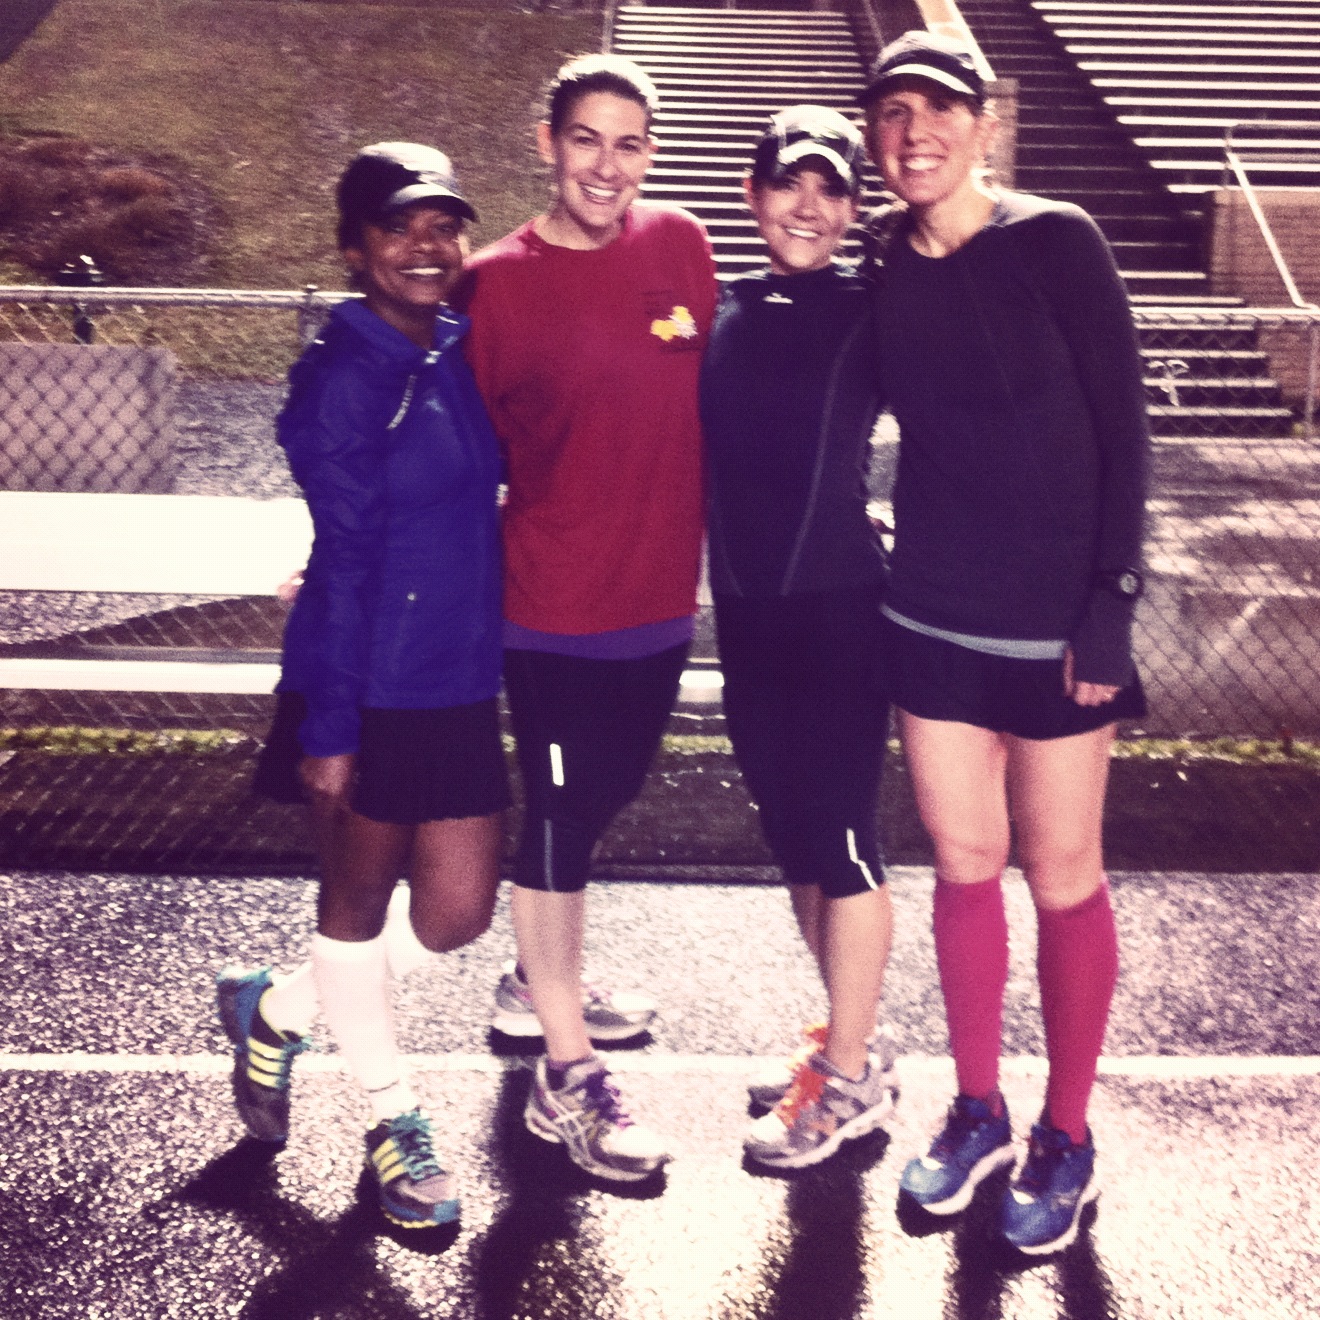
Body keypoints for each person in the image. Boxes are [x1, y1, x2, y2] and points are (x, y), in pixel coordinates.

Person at [858, 32, 1149, 1255]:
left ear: (985, 124)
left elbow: (1125, 426)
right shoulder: (882, 262)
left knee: (1063, 872)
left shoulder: (1055, 239)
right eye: (892, 113)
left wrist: (1112, 599)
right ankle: (977, 1109)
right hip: (932, 617)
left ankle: (1065, 1135)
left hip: (1057, 631)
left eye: (939, 109)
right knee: (965, 862)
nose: (914, 131)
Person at [217, 142, 509, 1229]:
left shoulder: (456, 345)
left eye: (443, 225)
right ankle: (393, 1120)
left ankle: (276, 1008)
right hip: (367, 685)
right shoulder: (344, 377)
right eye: (398, 227)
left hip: (458, 680)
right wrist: (331, 730)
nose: (426, 246)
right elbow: (343, 563)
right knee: (354, 914)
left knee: (457, 914)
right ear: (354, 248)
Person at [456, 53, 718, 1182]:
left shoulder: (683, 246)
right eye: (585, 140)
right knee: (561, 815)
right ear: (546, 143)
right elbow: (450, 455)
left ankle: (538, 981)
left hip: (657, 606)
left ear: (648, 153)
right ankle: (566, 1076)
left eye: (628, 143)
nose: (606, 166)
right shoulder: (494, 284)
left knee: (601, 798)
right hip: (550, 611)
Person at [698, 105, 898, 1170]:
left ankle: (852, 1075)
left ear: (855, 209)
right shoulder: (717, 310)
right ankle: (844, 1047)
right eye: (790, 183)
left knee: (845, 842)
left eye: (831, 189)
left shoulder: (874, 308)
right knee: (796, 843)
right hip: (748, 619)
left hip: (838, 614)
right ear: (754, 194)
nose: (809, 206)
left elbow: (974, 416)